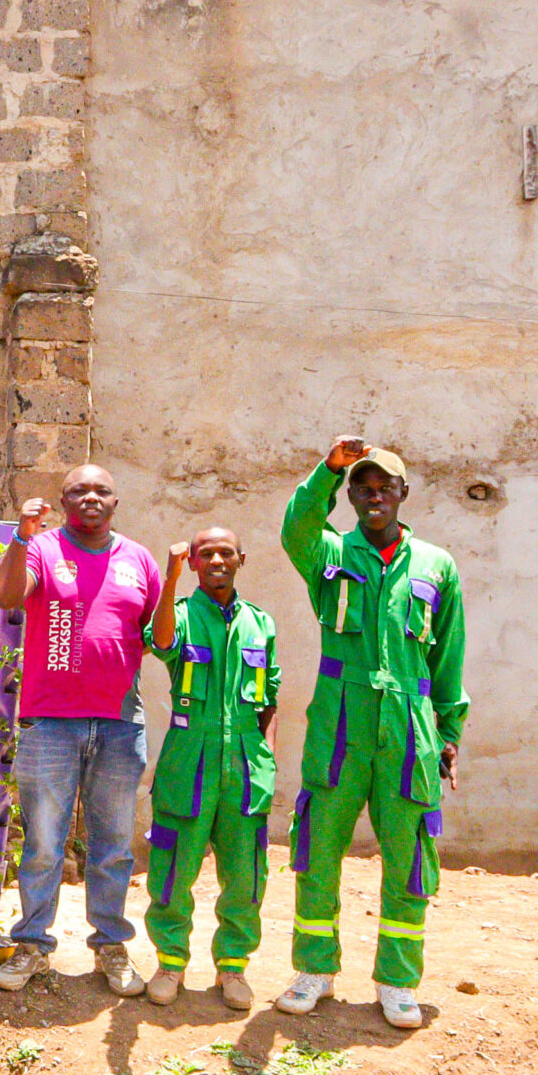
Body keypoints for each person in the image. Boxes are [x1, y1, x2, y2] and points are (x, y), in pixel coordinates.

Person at [275, 439, 469, 1031]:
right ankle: (314, 971)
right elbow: (296, 527)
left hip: (408, 727)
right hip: (340, 722)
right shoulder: (329, 552)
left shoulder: (437, 565)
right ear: (352, 496)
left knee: (409, 856)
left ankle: (398, 981)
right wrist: (327, 471)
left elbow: (448, 655)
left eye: (386, 486)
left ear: (403, 494)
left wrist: (448, 729)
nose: (375, 494)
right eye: (364, 486)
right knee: (317, 847)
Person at [0, 464, 162, 998]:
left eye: (101, 490)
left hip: (118, 721)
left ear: (115, 501)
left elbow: (155, 630)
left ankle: (110, 946)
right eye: (79, 490)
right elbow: (8, 595)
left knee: (112, 846)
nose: (91, 497)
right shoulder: (43, 548)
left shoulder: (138, 559)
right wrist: (21, 535)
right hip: (51, 721)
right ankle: (32, 946)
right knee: (43, 841)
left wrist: (108, 666)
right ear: (64, 500)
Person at [143, 528, 279, 1010]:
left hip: (244, 767)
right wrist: (170, 578)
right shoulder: (178, 615)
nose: (217, 559)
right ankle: (170, 962)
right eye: (206, 554)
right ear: (195, 564)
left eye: (225, 552)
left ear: (241, 558)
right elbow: (159, 644)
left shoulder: (261, 624)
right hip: (189, 760)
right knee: (173, 868)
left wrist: (264, 763)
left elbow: (271, 701)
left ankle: (234, 967)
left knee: (245, 875)